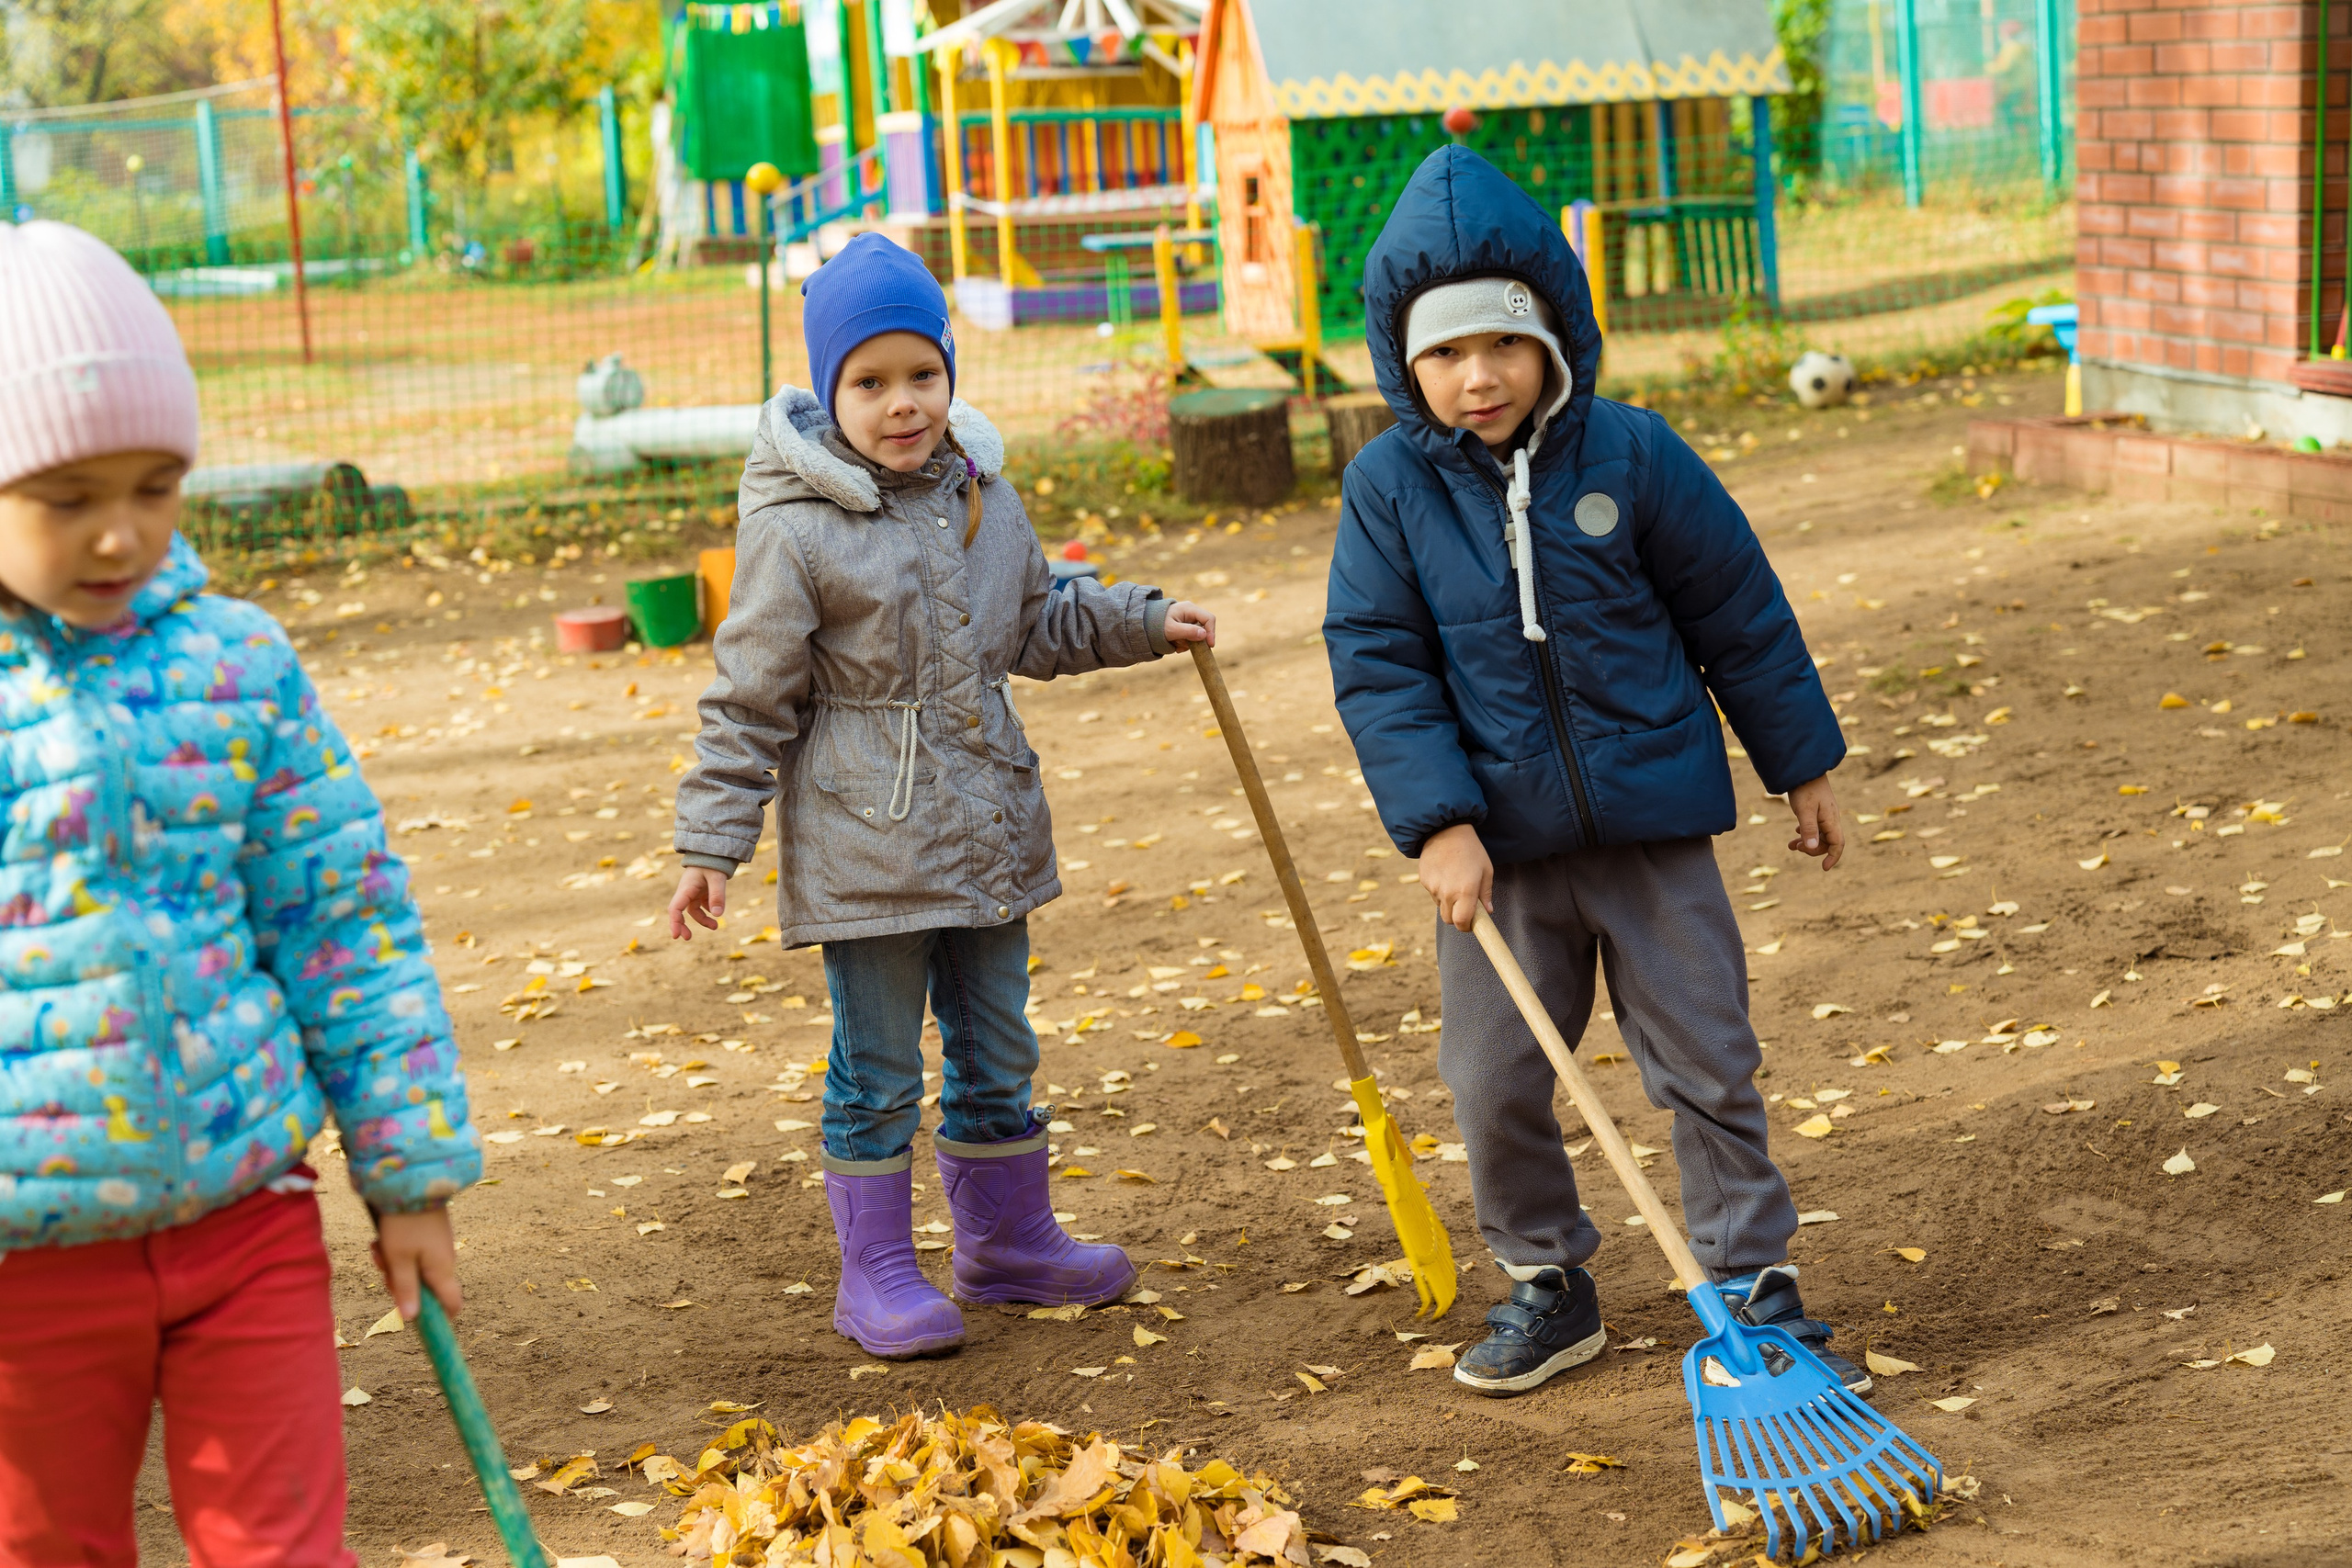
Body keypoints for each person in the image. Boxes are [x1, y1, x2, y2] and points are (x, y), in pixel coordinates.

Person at [1324, 149, 1860, 1398]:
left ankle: (1748, 1279)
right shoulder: (1389, 488)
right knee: (1494, 1076)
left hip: (1654, 831)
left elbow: (1739, 612)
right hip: (1496, 852)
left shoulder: (1631, 452)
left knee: (1708, 1059)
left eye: (1503, 346)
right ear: (1406, 362)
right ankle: (1548, 1280)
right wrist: (1438, 823)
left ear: (1555, 336)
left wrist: (1804, 767)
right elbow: (1380, 664)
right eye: (1447, 353)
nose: (1479, 376)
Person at [0, 221, 479, 1563]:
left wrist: (409, 1173)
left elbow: (343, 921)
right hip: (20, 1271)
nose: (120, 530)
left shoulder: (238, 663)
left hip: (244, 1222)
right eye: (63, 492)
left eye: (157, 485)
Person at [668, 232, 1214, 1359]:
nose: (901, 404)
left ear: (951, 376)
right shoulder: (796, 526)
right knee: (876, 1065)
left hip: (987, 826)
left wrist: (1141, 620)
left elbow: (1034, 620)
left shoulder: (981, 494)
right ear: (829, 392)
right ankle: (875, 1271)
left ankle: (1007, 1241)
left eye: (922, 375)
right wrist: (711, 842)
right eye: (869, 383)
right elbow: (749, 697)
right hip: (868, 848)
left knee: (997, 1043)